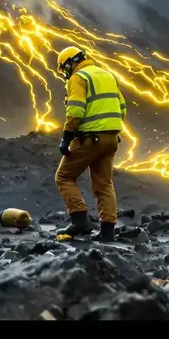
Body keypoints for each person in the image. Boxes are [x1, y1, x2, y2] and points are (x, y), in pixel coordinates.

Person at [54, 45, 126, 242]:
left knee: (64, 177)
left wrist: (67, 138)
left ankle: (79, 220)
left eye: (65, 68)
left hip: (89, 138)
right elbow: (122, 107)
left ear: (71, 63)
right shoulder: (107, 75)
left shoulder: (79, 77)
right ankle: (107, 232)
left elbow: (75, 110)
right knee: (104, 184)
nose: (66, 73)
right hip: (112, 138)